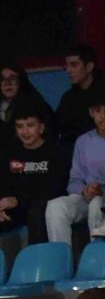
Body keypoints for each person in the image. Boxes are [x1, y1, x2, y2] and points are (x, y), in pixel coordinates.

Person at [46, 85, 105, 244]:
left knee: (97, 204)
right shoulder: (83, 141)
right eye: (98, 111)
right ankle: (62, 255)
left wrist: (102, 191)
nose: (103, 116)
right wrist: (85, 190)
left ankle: (98, 255)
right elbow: (74, 181)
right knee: (55, 206)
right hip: (87, 197)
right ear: (91, 113)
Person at [0, 95, 69, 245]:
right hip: (15, 209)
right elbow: (4, 185)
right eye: (20, 126)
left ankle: (39, 259)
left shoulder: (57, 152)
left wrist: (18, 200)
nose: (25, 131)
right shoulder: (9, 153)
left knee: (36, 211)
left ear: (41, 127)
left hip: (43, 208)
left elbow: (55, 190)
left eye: (30, 125)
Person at [54, 44, 105, 149]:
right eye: (67, 66)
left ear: (89, 67)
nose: (68, 70)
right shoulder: (68, 98)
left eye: (74, 65)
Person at [0, 61, 49, 141]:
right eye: (2, 79)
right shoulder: (2, 103)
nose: (7, 83)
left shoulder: (34, 101)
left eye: (12, 79)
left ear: (21, 81)